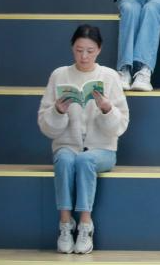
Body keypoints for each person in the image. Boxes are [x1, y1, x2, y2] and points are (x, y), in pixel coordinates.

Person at [37, 25, 129, 255]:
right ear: (72, 48)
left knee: (85, 160)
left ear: (99, 50)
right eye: (79, 50)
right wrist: (58, 111)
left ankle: (85, 225)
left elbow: (120, 125)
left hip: (102, 150)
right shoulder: (59, 75)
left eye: (90, 51)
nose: (84, 56)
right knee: (65, 159)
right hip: (66, 145)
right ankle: (65, 224)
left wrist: (107, 109)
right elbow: (45, 125)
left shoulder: (109, 77)